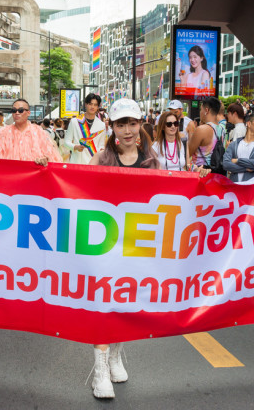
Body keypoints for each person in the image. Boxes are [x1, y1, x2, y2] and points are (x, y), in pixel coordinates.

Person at [87, 99, 159, 398]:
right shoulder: (100, 159)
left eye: (132, 123)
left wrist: (201, 179)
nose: (127, 130)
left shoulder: (152, 162)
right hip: (103, 245)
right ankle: (100, 368)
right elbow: (74, 189)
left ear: (140, 123)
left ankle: (116, 354)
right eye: (120, 124)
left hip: (137, 244)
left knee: (125, 301)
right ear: (112, 127)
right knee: (104, 302)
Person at [0, 99, 61, 165]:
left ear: (28, 113)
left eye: (20, 110)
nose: (17, 113)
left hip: (33, 181)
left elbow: (52, 157)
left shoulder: (38, 132)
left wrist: (44, 160)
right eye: (14, 110)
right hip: (11, 181)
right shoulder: (3, 132)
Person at [223, 114, 254, 182]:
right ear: (249, 124)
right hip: (234, 187)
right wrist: (247, 169)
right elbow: (226, 164)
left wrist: (237, 161)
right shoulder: (234, 144)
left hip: (252, 188)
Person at [64, 93, 106, 164]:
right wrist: (75, 147)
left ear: (98, 107)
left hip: (93, 163)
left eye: (95, 105)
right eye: (90, 104)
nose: (92, 107)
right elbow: (66, 142)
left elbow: (101, 145)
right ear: (86, 104)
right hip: (77, 162)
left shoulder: (102, 125)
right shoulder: (75, 121)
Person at [188, 97, 224, 169]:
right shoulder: (222, 128)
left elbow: (188, 152)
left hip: (200, 171)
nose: (200, 112)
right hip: (214, 171)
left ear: (206, 110)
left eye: (201, 109)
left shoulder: (202, 129)